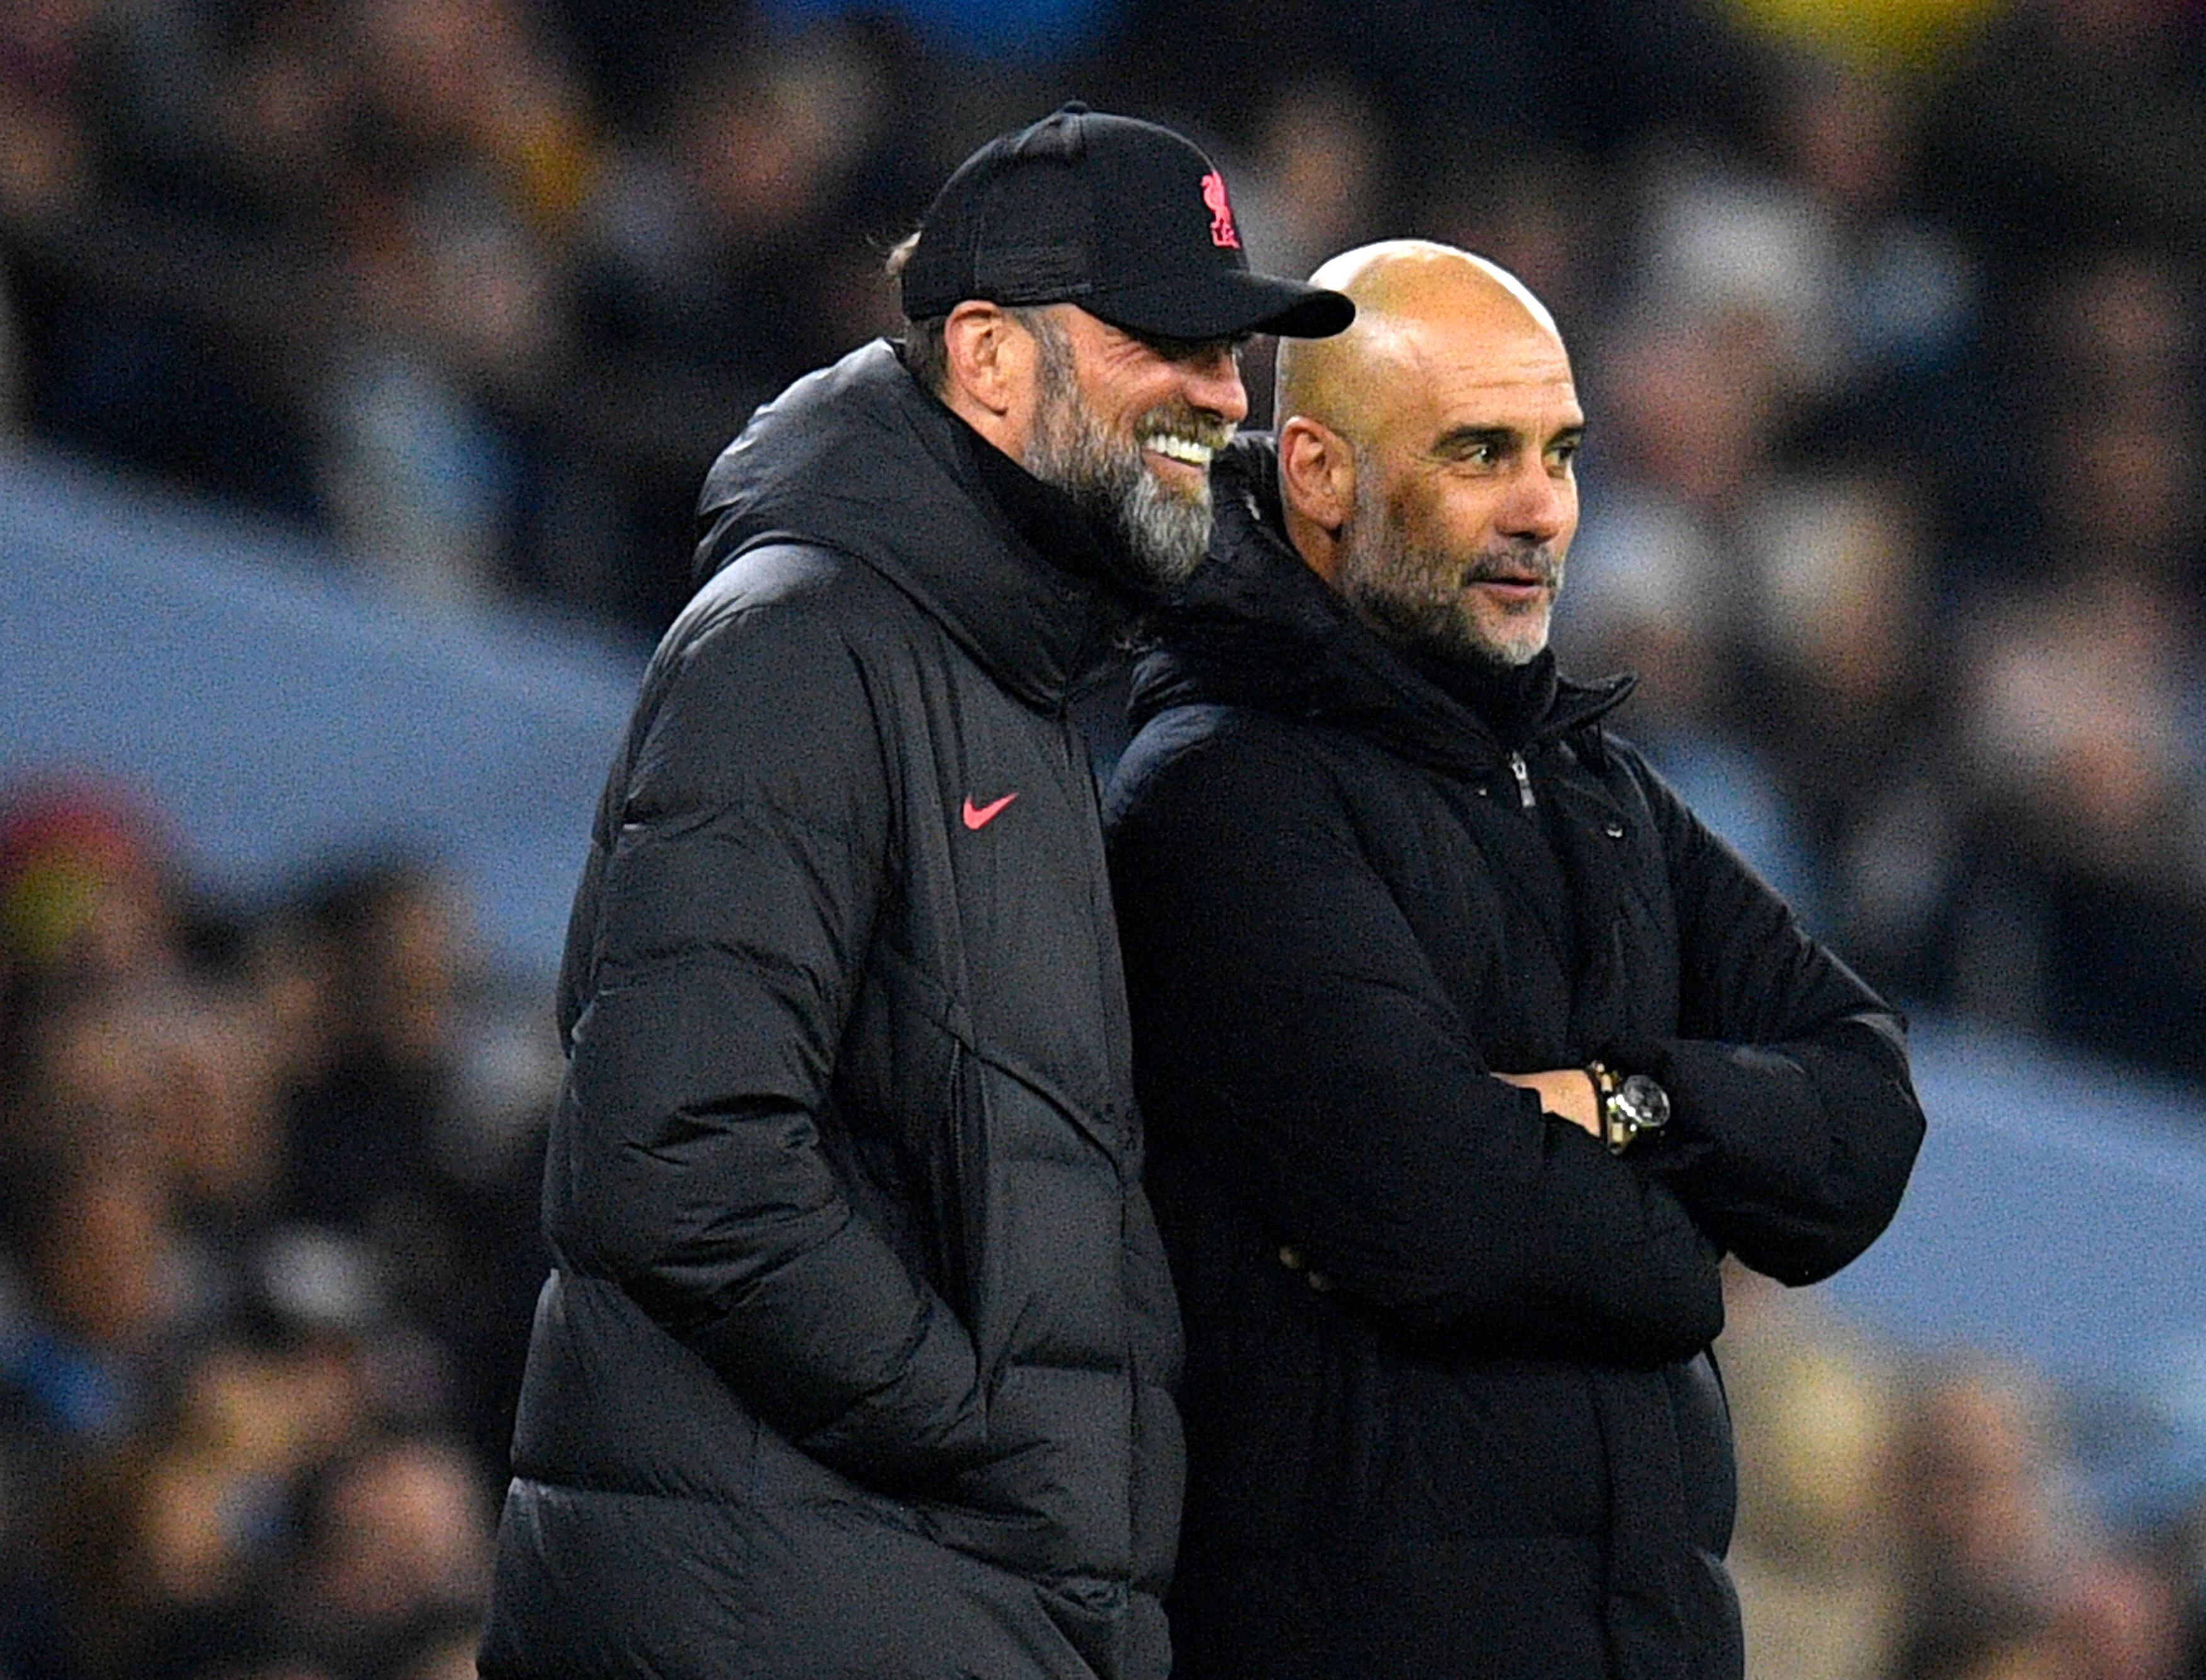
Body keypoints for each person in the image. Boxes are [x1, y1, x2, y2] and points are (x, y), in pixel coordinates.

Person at [478, 105, 1352, 1680]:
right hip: (796, 1604)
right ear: (990, 356)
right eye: (1171, 345)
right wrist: (992, 1438)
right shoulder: (804, 639)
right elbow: (676, 1157)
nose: (1224, 402)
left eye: (1235, 357)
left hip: (918, 1600)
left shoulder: (1010, 677)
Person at [1103, 240, 1926, 1679]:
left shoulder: (1593, 788)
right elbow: (1434, 1206)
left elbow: (1865, 1110)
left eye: (1559, 453)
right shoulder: (1222, 789)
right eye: (1478, 451)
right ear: (1315, 471)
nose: (1540, 510)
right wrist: (1689, 1249)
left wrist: (1623, 1102)